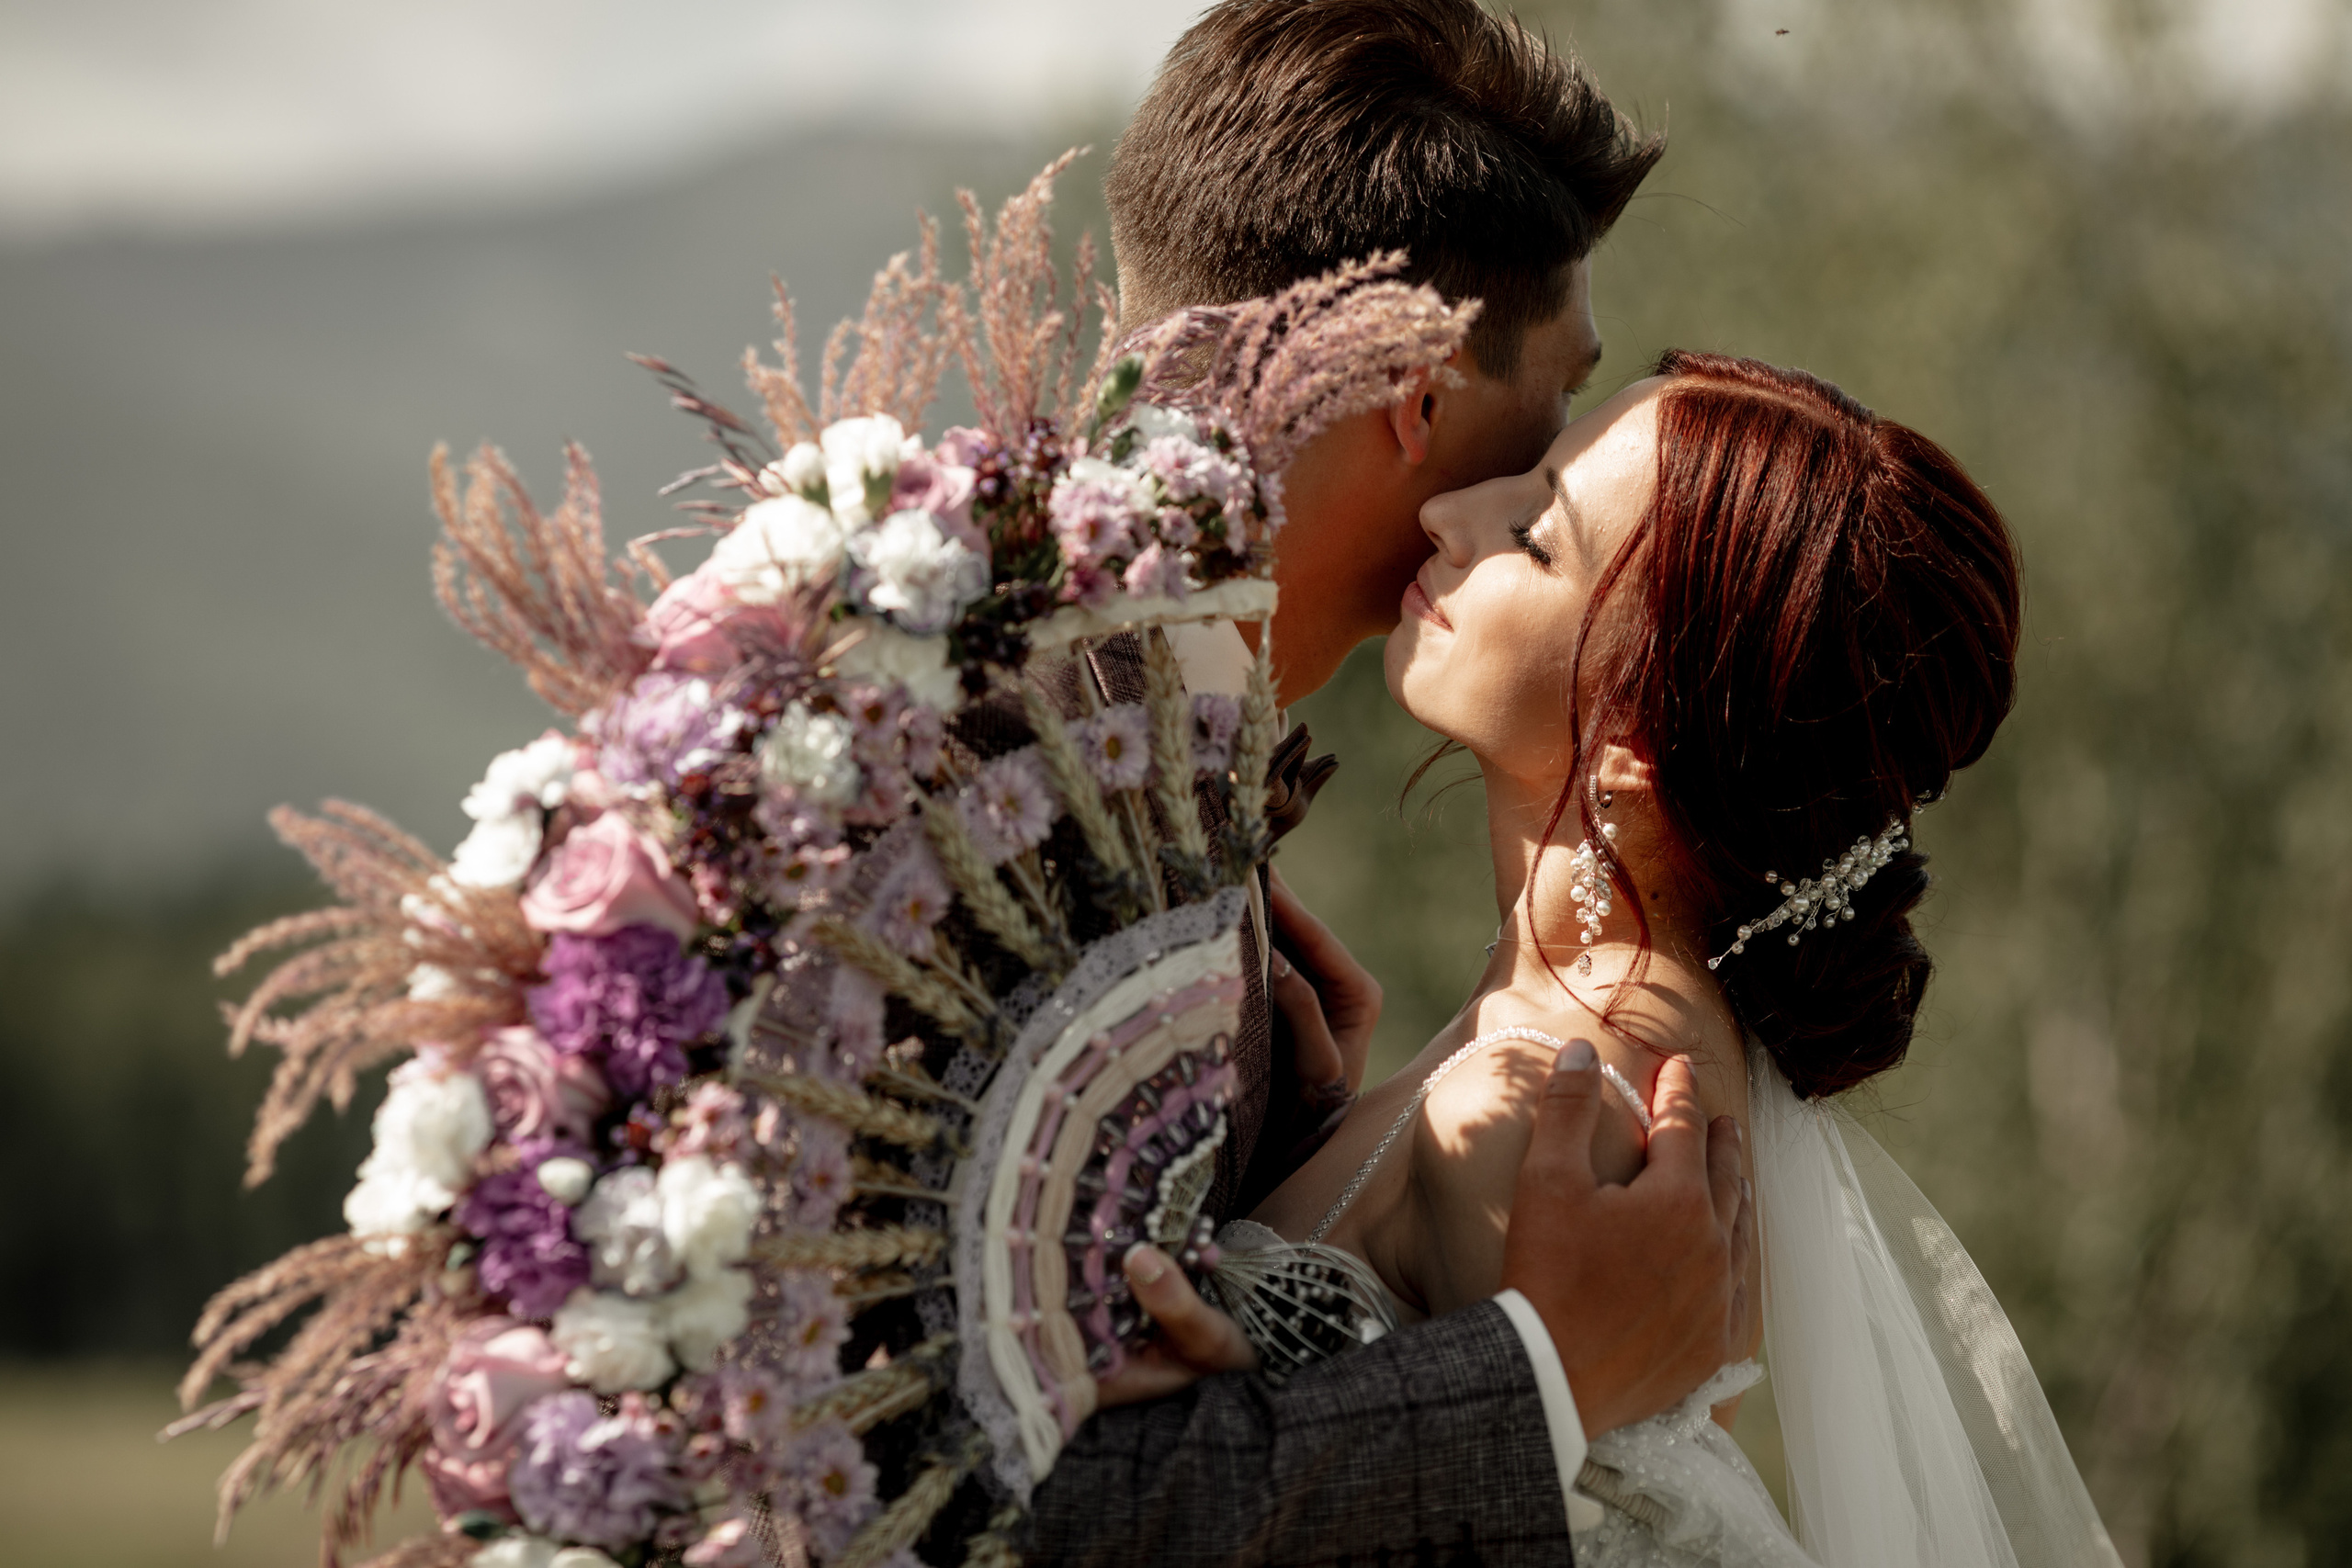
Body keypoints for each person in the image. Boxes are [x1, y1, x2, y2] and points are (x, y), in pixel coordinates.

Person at [1021, 5, 1758, 1563]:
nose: (1551, 460)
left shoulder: (1126, 729)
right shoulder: (1002, 781)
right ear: (1414, 400)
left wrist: (1287, 1145)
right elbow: (970, 1501)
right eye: (1558, 401)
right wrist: (1537, 1388)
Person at [1216, 355, 2121, 1564]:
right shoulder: (1602, 1039)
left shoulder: (1566, 1109)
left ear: (1641, 742)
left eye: (1534, 534)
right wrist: (1310, 1135)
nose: (1447, 513)